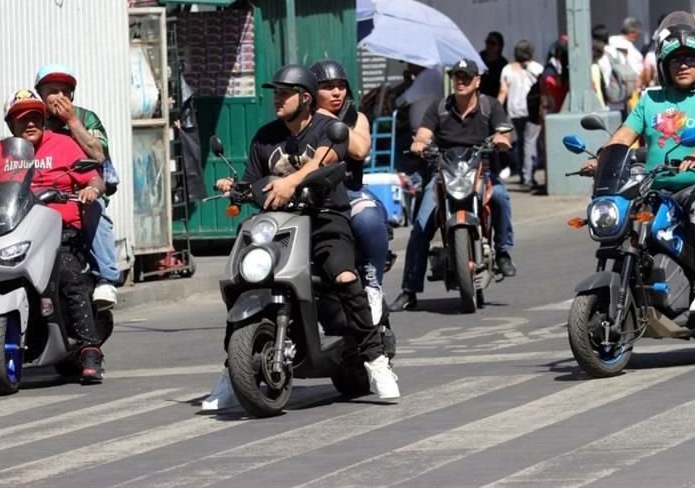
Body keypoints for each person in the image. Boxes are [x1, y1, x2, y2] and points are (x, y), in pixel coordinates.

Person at [202, 65, 400, 410]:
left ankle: (375, 360)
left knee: (344, 274)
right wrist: (237, 189)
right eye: (275, 93)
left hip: (324, 218)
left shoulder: (329, 129)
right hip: (279, 224)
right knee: (242, 281)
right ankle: (233, 372)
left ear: (304, 98)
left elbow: (330, 160)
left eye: (284, 93)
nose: (277, 99)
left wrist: (292, 181)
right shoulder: (264, 137)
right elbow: (254, 179)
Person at [581, 11, 695, 317]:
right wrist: (601, 158)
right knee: (627, 226)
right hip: (655, 189)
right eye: (676, 60)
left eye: (690, 59)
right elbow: (623, 135)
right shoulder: (649, 101)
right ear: (664, 66)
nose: (683, 65)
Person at [0, 89, 109, 384]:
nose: (30, 124)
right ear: (11, 125)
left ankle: (89, 349)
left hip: (57, 230)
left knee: (69, 275)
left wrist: (92, 189)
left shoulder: (64, 145)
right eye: (22, 119)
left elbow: (94, 177)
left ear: (45, 120)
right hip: (12, 230)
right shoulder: (0, 153)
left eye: (36, 117)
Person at [390, 59, 516, 312]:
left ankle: (503, 252)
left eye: (466, 77)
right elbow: (424, 133)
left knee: (501, 197)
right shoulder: (440, 108)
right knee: (421, 224)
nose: (460, 81)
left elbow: (505, 132)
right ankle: (409, 290)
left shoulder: (490, 106)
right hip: (444, 175)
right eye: (457, 76)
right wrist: (420, 143)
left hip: (482, 174)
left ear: (477, 81)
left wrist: (502, 139)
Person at [34, 64, 121, 310]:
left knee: (96, 208)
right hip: (41, 195)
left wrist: (71, 121)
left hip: (80, 193)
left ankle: (106, 278)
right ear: (40, 95)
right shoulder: (33, 121)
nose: (59, 97)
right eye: (52, 91)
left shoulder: (86, 118)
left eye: (64, 91)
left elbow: (99, 155)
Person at [310, 59, 389, 323]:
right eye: (328, 87)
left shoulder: (356, 118)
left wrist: (329, 120)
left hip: (350, 192)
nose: (336, 92)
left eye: (341, 86)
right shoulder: (302, 120)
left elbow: (359, 149)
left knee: (368, 218)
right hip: (310, 196)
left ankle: (372, 283)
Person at [498, 40, 543, 187]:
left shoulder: (507, 69)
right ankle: (528, 176)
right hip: (532, 111)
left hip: (513, 111)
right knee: (530, 142)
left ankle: (523, 174)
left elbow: (503, 91)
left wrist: (496, 110)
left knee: (521, 141)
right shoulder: (537, 68)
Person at [479, 31, 508, 99]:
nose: (489, 45)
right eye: (487, 42)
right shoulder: (479, 58)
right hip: (479, 98)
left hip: (494, 99)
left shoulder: (503, 64)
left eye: (493, 43)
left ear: (499, 46)